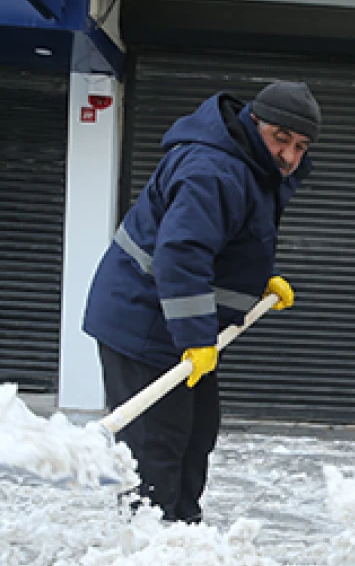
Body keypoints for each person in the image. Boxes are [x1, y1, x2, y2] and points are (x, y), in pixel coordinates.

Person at [82, 81, 321, 523]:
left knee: (195, 433)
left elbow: (220, 238)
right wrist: (195, 335)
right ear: (254, 123)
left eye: (301, 146)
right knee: (155, 445)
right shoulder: (214, 169)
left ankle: (182, 534)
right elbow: (182, 251)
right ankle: (148, 545)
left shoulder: (250, 165)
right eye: (281, 139)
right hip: (144, 321)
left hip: (174, 321)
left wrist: (254, 281)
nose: (290, 156)